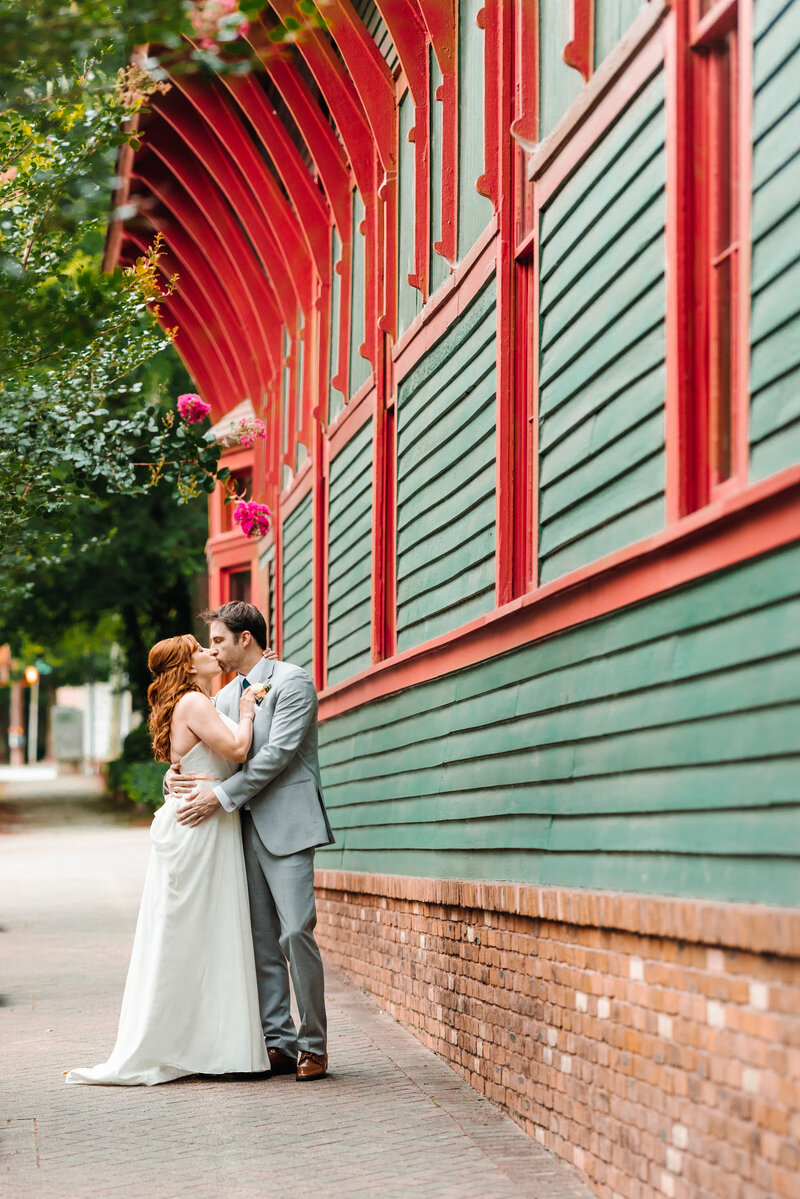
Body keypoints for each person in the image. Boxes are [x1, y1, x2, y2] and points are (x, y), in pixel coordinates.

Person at [66, 634, 268, 1086]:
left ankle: (208, 1046)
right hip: (199, 827)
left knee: (204, 932)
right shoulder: (195, 703)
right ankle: (205, 1048)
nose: (210, 653)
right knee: (198, 932)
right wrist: (251, 712)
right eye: (201, 649)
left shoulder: (200, 699)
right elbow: (236, 751)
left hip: (206, 821)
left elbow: (196, 757)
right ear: (187, 665)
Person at [169, 601, 334, 1082]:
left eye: (218, 640)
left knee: (296, 932)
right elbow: (203, 756)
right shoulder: (222, 699)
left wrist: (219, 796)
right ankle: (278, 1042)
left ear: (246, 638)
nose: (213, 649)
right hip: (239, 831)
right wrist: (174, 782)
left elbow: (277, 756)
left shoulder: (293, 681)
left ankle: (314, 1046)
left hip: (288, 825)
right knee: (261, 941)